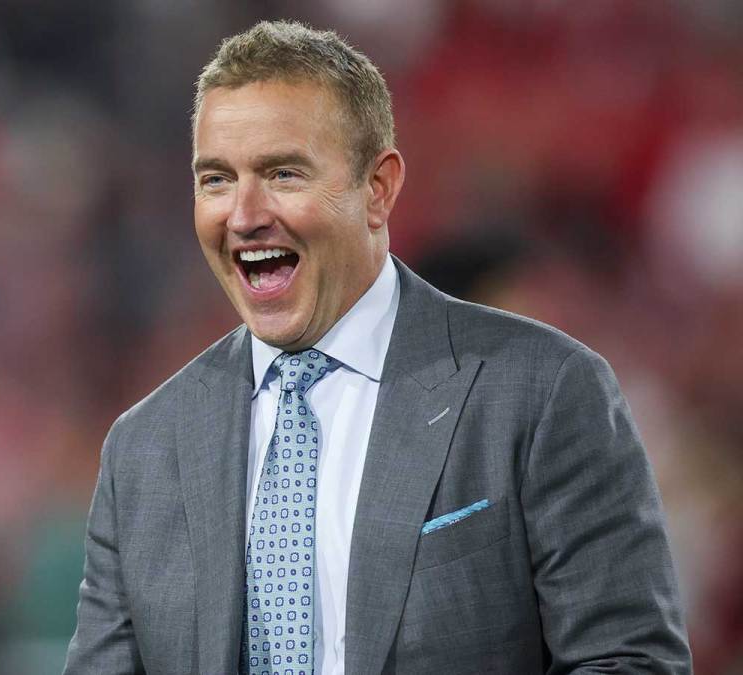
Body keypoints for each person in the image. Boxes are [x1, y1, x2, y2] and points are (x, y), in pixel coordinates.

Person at [64, 20, 691, 675]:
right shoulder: (145, 448)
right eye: (216, 179)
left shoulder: (543, 390)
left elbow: (628, 660)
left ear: (377, 189)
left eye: (282, 172)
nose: (243, 214)